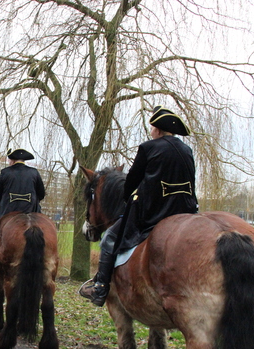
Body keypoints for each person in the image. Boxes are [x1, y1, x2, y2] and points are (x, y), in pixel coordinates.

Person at [79, 106, 198, 307]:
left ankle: (100, 287)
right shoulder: (186, 150)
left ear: (158, 130)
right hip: (185, 210)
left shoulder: (149, 148)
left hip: (154, 212)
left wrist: (128, 198)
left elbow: (132, 181)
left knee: (109, 238)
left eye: (152, 127)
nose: (151, 131)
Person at [0, 148, 45, 267]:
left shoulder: (5, 172)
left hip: (8, 211)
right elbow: (41, 193)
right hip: (31, 210)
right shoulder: (34, 172)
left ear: (12, 160)